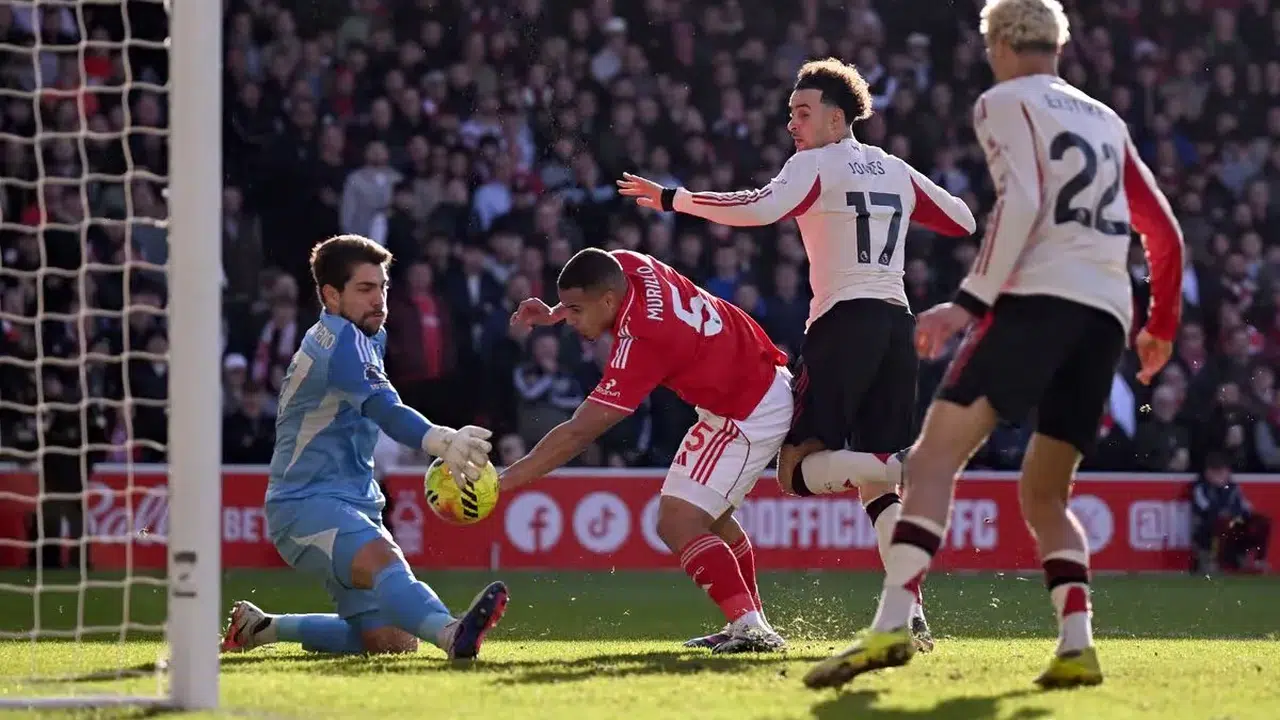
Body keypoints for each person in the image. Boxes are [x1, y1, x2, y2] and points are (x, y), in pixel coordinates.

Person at [802, 0, 1184, 690]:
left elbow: (1026, 203)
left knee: (929, 461)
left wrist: (968, 302)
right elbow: (1164, 232)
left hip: (1039, 299)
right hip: (1107, 312)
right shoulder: (1107, 119)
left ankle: (891, 626)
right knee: (1044, 494)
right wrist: (1161, 326)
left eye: (989, 47)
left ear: (1004, 42)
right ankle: (1076, 643)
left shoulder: (1004, 101)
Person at [617, 57, 977, 652]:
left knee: (796, 470)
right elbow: (963, 220)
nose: (793, 124)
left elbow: (759, 208)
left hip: (844, 325)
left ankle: (901, 465)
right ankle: (910, 614)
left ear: (837, 119)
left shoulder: (817, 162)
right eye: (790, 114)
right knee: (876, 490)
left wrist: (675, 199)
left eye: (803, 113)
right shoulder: (894, 168)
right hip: (897, 325)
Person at [221, 234, 508, 658]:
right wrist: (443, 441)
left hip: (351, 500)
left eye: (383, 287)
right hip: (306, 503)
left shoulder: (362, 335)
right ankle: (452, 634)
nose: (379, 300)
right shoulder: (341, 344)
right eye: (365, 289)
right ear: (331, 295)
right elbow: (386, 410)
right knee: (383, 560)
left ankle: (262, 627)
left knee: (392, 644)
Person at [503, 247, 792, 653]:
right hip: (750, 382)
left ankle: (751, 628)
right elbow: (605, 278)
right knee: (712, 519)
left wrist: (505, 480)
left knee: (677, 522)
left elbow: (578, 432)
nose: (570, 320)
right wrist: (555, 312)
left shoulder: (642, 339)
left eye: (575, 310)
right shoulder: (627, 263)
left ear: (607, 301)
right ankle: (747, 622)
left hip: (748, 407)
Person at [1190, 452, 1271, 574]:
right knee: (1221, 522)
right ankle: (1213, 561)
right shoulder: (1201, 488)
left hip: (1233, 526)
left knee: (1261, 522)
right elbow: (1207, 510)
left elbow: (1245, 509)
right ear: (1208, 472)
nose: (1220, 476)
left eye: (1222, 471)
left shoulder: (1233, 488)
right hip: (1208, 531)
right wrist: (1228, 514)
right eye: (1215, 472)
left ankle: (1258, 560)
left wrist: (1238, 517)